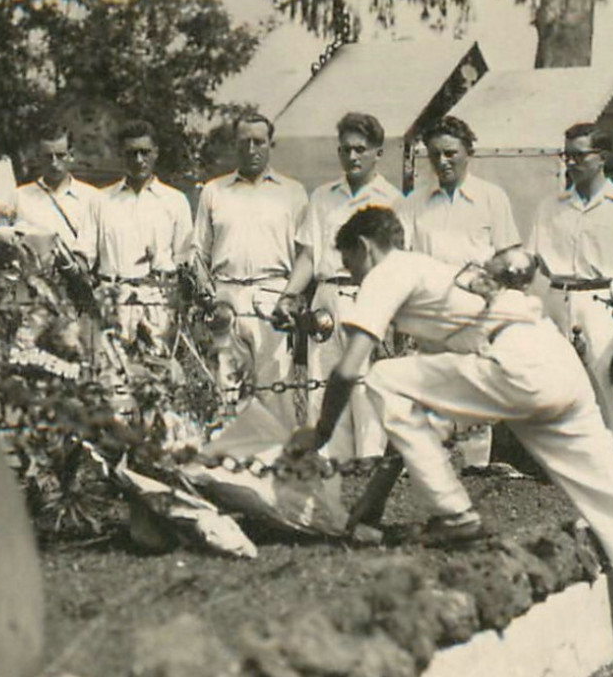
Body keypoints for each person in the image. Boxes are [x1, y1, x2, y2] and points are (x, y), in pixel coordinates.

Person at [284, 205, 613, 655]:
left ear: (366, 248)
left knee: (381, 376)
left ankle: (457, 516)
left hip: (515, 365)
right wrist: (372, 502)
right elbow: (417, 426)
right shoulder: (439, 280)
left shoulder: (389, 270)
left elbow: (348, 370)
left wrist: (318, 437)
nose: (353, 279)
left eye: (351, 266)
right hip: (553, 362)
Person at [275, 112, 403, 458]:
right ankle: (329, 461)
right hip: (327, 298)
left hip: (370, 297)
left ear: (378, 152)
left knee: (366, 386)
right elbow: (307, 256)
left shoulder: (393, 200)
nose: (353, 157)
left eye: (361, 149)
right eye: (345, 149)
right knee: (323, 383)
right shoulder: (322, 197)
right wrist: (288, 297)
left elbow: (398, 265)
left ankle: (369, 461)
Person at [527, 122, 613, 449]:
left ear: (602, 158)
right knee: (555, 390)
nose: (570, 163)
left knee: (602, 393)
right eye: (566, 156)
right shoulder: (549, 207)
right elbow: (534, 262)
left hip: (603, 303)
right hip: (556, 299)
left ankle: (608, 472)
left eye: (579, 156)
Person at [402, 115, 521, 467]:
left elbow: (508, 258)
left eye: (451, 153)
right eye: (435, 154)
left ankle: (476, 470)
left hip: (476, 313)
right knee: (432, 395)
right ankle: (433, 476)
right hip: (430, 315)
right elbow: (403, 261)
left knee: (475, 398)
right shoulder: (414, 202)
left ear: (469, 152)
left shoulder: (491, 199)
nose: (443, 162)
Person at [193, 112, 308, 406]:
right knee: (228, 394)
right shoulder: (214, 191)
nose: (252, 149)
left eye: (259, 142)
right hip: (226, 299)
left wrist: (289, 297)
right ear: (235, 144)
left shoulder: (293, 193)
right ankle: (232, 452)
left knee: (275, 396)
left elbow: (306, 255)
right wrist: (210, 299)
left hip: (272, 299)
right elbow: (198, 253)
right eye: (245, 142)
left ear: (271, 144)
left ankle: (275, 453)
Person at [94, 119, 194, 348]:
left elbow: (184, 259)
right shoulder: (101, 200)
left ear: (155, 153)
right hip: (113, 299)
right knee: (114, 375)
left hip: (158, 301)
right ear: (121, 155)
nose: (138, 160)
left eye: (144, 152)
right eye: (131, 154)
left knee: (158, 373)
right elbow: (86, 254)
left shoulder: (175, 201)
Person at [12, 123, 99, 264]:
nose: (54, 163)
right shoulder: (20, 196)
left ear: (71, 155)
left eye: (60, 156)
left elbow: (94, 247)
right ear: (38, 157)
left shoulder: (91, 197)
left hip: (78, 280)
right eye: (48, 157)